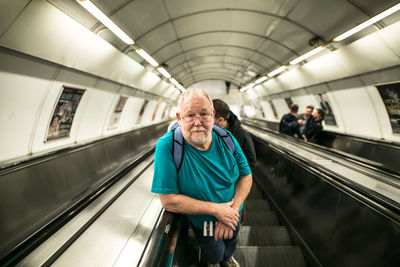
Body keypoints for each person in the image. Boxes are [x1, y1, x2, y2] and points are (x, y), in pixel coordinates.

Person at [152, 88, 252, 267]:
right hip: (204, 222)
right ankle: (213, 261)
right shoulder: (168, 147)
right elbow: (168, 200)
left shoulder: (226, 137)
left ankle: (226, 259)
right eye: (190, 115)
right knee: (214, 251)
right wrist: (217, 211)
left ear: (213, 115)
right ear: (179, 118)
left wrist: (231, 211)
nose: (197, 122)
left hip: (234, 213)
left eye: (204, 114)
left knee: (230, 245)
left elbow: (246, 176)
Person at [212, 99, 256, 171]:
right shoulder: (211, 132)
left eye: (211, 119)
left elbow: (250, 164)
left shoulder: (243, 136)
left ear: (220, 120)